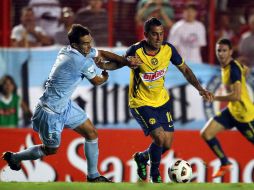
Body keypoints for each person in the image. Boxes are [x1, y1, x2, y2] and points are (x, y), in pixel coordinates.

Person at [2, 24, 141, 182]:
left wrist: (126, 62)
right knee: (50, 150)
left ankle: (93, 177)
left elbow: (101, 53)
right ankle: (15, 158)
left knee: (91, 133)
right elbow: (97, 81)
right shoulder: (78, 61)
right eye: (85, 43)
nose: (89, 46)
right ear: (75, 45)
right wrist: (108, 73)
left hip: (65, 107)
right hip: (50, 112)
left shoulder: (69, 50)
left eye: (90, 42)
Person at [97, 17, 213, 183]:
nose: (159, 38)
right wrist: (103, 65)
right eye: (154, 34)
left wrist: (200, 89)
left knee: (166, 144)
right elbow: (119, 63)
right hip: (140, 103)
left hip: (162, 101)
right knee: (159, 138)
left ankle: (142, 157)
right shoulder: (135, 51)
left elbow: (185, 70)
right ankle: (155, 176)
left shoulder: (168, 50)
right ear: (146, 35)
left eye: (161, 34)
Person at [200, 38, 254, 178]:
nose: (221, 54)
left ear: (230, 51)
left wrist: (214, 97)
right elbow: (246, 70)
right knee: (206, 133)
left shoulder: (233, 69)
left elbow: (236, 96)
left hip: (245, 116)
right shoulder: (230, 67)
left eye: (224, 51)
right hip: (232, 111)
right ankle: (225, 162)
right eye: (219, 50)